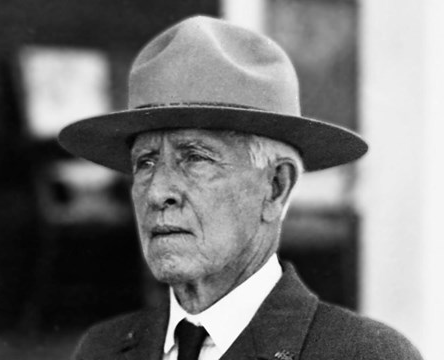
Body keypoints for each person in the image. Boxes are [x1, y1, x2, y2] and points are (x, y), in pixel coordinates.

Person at [58, 16, 422, 360]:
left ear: (276, 186)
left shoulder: (361, 354)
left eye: (195, 158)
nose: (157, 192)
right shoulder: (102, 350)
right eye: (146, 162)